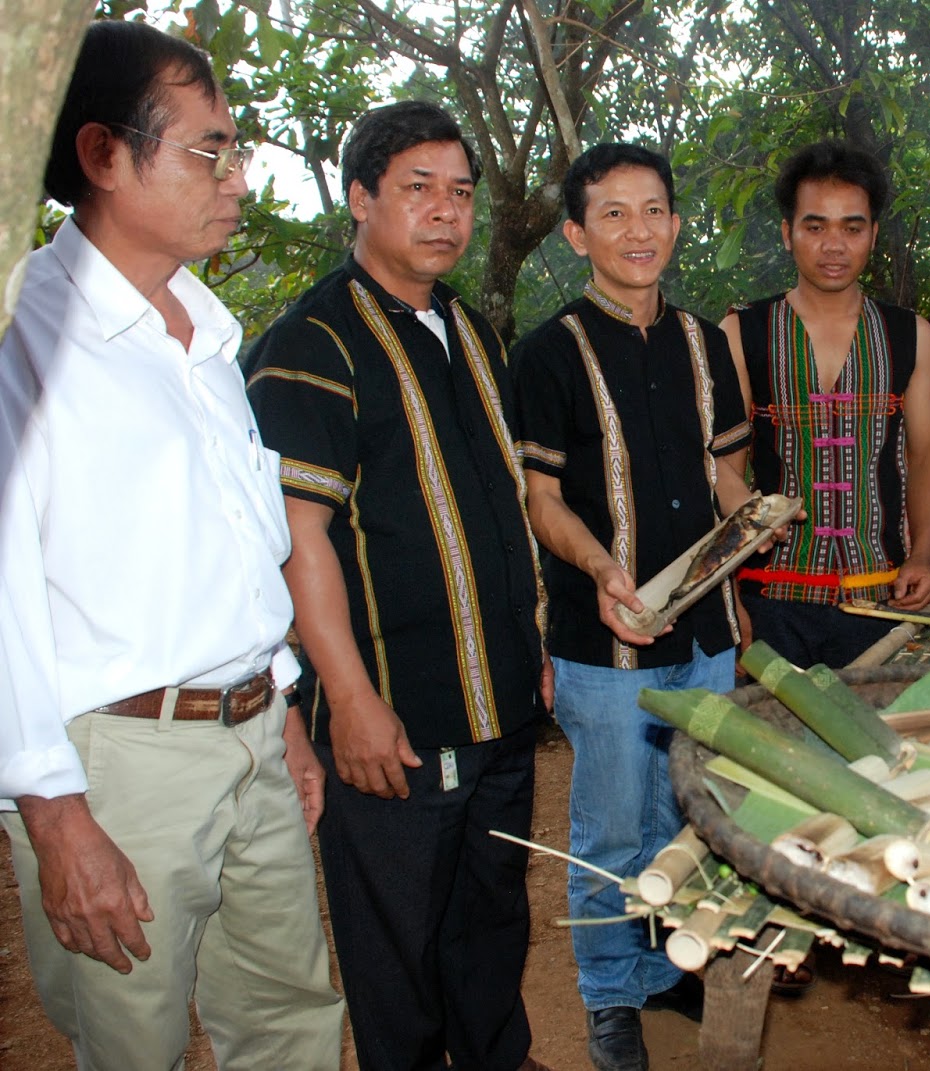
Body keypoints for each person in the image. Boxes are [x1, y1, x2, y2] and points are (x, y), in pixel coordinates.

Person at [0, 20, 344, 1069]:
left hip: (250, 736)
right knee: (131, 1040)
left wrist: (278, 698)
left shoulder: (204, 333)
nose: (235, 179)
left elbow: (239, 546)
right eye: (209, 150)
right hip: (119, 763)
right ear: (104, 155)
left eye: (234, 152)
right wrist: (56, 815)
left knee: (291, 1017)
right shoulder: (28, 335)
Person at [245, 101, 550, 1071]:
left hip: (497, 702)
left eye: (460, 193)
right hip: (396, 720)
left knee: (491, 918)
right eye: (417, 189)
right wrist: (348, 699)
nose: (445, 212)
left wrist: (532, 647)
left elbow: (499, 506)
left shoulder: (467, 328)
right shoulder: (311, 344)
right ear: (361, 198)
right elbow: (300, 538)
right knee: (399, 949)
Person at [510, 143, 755, 1071]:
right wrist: (603, 569)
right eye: (612, 213)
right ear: (577, 234)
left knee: (690, 813)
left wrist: (754, 518)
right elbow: (542, 498)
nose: (637, 229)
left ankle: (661, 964)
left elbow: (725, 469)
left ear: (676, 223)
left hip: (706, 631)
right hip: (600, 635)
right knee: (612, 823)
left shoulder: (704, 342)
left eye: (652, 209)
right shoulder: (547, 353)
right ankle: (609, 989)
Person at [722, 140, 930, 667]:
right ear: (787, 233)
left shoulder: (908, 335)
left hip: (878, 594)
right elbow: (723, 467)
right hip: (768, 596)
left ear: (872, 234)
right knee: (772, 745)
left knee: (872, 743)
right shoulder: (742, 332)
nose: (834, 245)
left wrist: (923, 555)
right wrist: (728, 593)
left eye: (852, 227)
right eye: (815, 226)